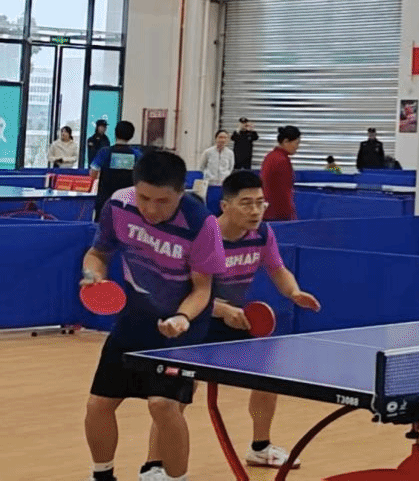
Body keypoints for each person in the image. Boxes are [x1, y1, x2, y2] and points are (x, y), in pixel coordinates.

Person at [144, 170, 322, 469]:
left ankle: (260, 447)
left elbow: (277, 269)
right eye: (246, 203)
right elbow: (182, 291)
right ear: (225, 206)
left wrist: (293, 292)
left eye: (260, 203)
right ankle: (155, 465)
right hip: (194, 323)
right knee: (172, 398)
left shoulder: (262, 233)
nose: (255, 211)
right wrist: (221, 310)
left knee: (268, 376)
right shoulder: (201, 236)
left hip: (236, 322)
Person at [81, 150, 226, 481]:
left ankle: (176, 478)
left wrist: (182, 318)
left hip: (183, 327)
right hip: (136, 318)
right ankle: (101, 476)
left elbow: (202, 290)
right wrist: (92, 275)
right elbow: (97, 253)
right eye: (144, 198)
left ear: (180, 192)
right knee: (98, 405)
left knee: (163, 405)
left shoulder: (202, 224)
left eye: (162, 201)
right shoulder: (119, 205)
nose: (150, 209)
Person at [89, 120, 144, 221]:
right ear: (131, 136)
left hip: (105, 201)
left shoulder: (104, 152)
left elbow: (93, 174)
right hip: (128, 203)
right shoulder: (137, 155)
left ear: (115, 133)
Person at [261, 125, 300, 222]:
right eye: (296, 143)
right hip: (278, 213)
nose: (297, 147)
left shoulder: (270, 156)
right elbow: (284, 191)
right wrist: (290, 214)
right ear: (286, 141)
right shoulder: (282, 160)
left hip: (267, 210)